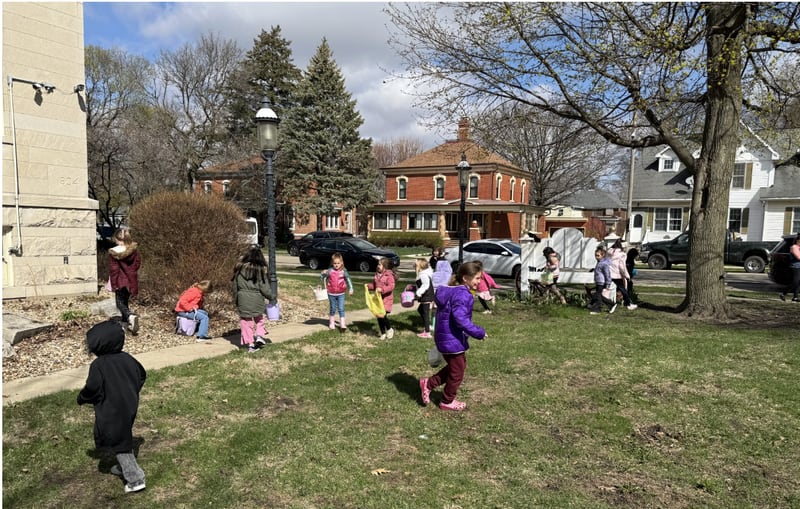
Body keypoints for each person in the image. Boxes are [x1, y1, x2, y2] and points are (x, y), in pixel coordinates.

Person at [77, 321, 147, 494]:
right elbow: (142, 374)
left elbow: (93, 387)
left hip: (111, 409)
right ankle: (124, 467)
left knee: (118, 441)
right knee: (123, 434)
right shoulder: (127, 358)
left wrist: (82, 397)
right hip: (129, 404)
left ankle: (135, 478)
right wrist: (132, 390)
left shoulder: (99, 365)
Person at [419, 261, 487, 411]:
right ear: (465, 278)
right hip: (452, 339)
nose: (479, 281)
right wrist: (479, 332)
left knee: (456, 367)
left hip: (446, 336)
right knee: (457, 372)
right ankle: (447, 401)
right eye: (477, 278)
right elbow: (460, 319)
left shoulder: (451, 291)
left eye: (480, 278)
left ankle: (428, 383)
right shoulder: (462, 294)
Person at [232, 248, 275, 351]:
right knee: (259, 318)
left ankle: (250, 344)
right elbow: (264, 288)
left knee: (245, 321)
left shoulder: (238, 270)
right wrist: (271, 297)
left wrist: (236, 299)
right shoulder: (260, 271)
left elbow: (234, 287)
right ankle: (259, 336)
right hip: (257, 298)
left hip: (242, 298)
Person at [108, 228, 141, 335]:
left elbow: (114, 270)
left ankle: (130, 316)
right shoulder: (133, 251)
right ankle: (126, 322)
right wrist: (131, 272)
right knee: (125, 301)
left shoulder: (114, 252)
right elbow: (137, 264)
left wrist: (113, 284)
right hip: (131, 280)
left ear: (118, 239)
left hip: (120, 281)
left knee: (119, 303)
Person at [320, 252, 354, 331]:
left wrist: (351, 288)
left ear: (341, 263)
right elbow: (322, 278)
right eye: (335, 263)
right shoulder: (330, 271)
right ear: (332, 263)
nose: (336, 265)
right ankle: (331, 323)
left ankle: (342, 324)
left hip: (341, 293)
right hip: (331, 293)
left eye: (338, 263)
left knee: (341, 308)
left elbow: (348, 279)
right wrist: (322, 274)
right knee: (333, 308)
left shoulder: (343, 271)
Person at [372, 257, 397, 339]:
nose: (378, 266)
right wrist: (369, 286)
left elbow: (391, 286)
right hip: (378, 299)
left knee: (383, 315)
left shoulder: (389, 275)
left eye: (379, 264)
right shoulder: (376, 275)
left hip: (386, 299)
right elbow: (374, 285)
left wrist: (382, 290)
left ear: (385, 266)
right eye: (378, 264)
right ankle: (383, 333)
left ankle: (389, 329)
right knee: (379, 316)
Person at [608, 239, 636, 310]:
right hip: (616, 274)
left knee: (603, 289)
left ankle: (595, 303)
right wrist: (627, 275)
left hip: (608, 273)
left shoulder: (609, 252)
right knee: (623, 289)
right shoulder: (622, 255)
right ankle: (628, 304)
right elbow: (622, 267)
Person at [589, 245, 617, 314]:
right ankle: (611, 304)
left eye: (598, 255)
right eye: (595, 255)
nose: (596, 257)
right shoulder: (599, 262)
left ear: (602, 255)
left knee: (598, 295)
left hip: (602, 282)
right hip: (599, 281)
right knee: (598, 295)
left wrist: (608, 283)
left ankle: (597, 309)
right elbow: (600, 271)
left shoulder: (604, 264)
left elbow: (607, 274)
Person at [414, 258, 435, 338]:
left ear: (420, 266)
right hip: (425, 294)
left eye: (416, 265)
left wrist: (419, 293)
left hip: (426, 295)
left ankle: (427, 332)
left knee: (425, 312)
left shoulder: (423, 274)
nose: (414, 266)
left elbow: (425, 285)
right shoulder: (422, 273)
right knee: (420, 309)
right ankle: (427, 326)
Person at [779, 235, 800, 302]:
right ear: (797, 241)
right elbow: (798, 257)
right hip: (796, 266)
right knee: (795, 282)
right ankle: (783, 293)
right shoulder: (794, 247)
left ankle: (795, 297)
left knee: (799, 282)